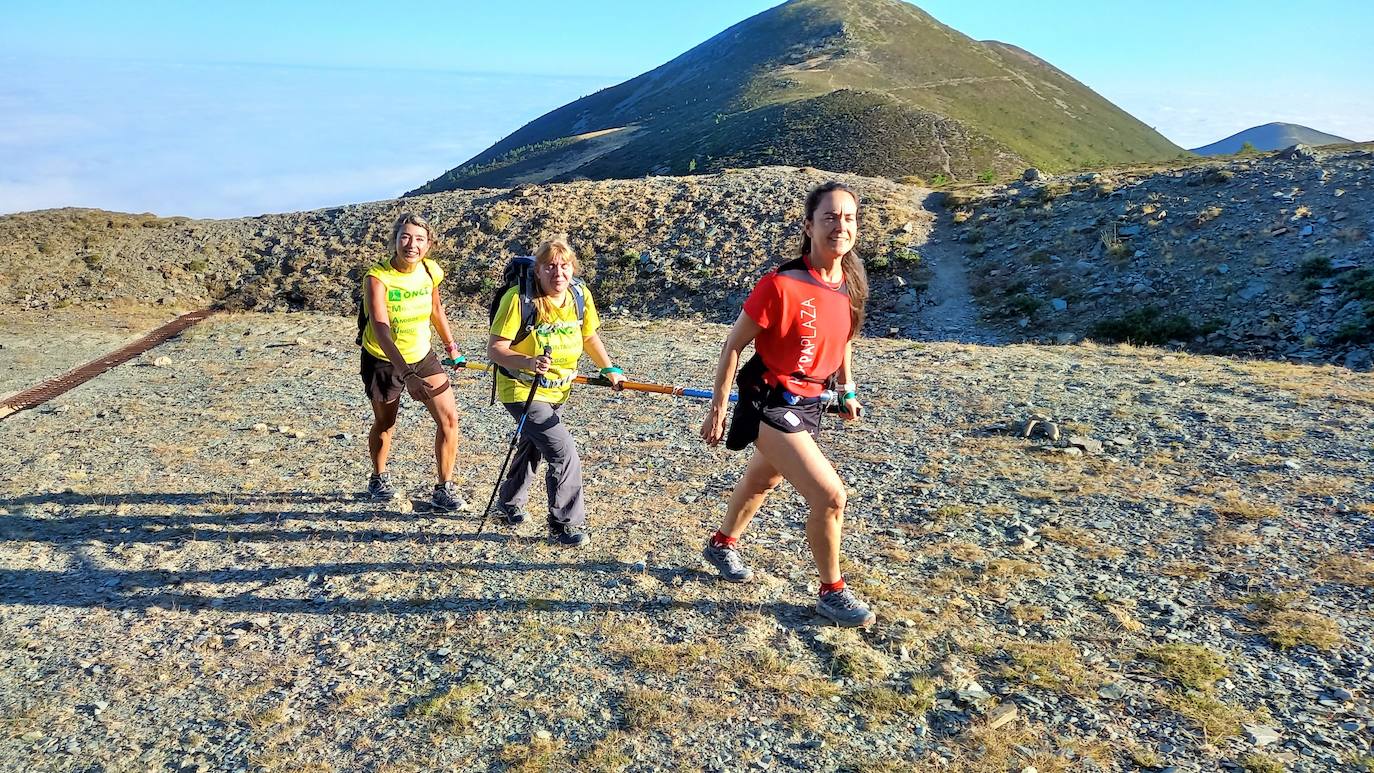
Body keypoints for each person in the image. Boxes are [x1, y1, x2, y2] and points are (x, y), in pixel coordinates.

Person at [699, 181, 874, 627]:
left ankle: (722, 543)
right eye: (830, 217)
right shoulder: (781, 284)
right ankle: (831, 592)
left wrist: (846, 388)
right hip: (771, 398)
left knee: (763, 480)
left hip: (813, 399)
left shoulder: (849, 284)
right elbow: (733, 345)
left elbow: (844, 339)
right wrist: (719, 405)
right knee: (831, 496)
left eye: (848, 217)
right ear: (809, 226)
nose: (840, 225)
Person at [487, 236, 624, 546]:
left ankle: (509, 504)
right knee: (563, 453)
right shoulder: (518, 300)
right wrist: (528, 361)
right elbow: (495, 349)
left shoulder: (579, 295)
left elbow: (588, 336)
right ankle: (565, 523)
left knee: (533, 446)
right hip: (522, 389)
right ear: (537, 271)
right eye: (550, 267)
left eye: (564, 266)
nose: (558, 273)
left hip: (558, 389)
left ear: (573, 268)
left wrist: (608, 368)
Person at [360, 212, 467, 511]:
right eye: (405, 237)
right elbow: (381, 329)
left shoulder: (431, 271)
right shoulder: (377, 277)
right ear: (394, 240)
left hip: (422, 356)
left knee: (449, 419)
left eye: (419, 239)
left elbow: (436, 308)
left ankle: (444, 488)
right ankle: (378, 477)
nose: (412, 244)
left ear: (429, 244)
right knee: (386, 422)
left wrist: (451, 347)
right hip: (383, 359)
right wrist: (407, 375)